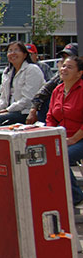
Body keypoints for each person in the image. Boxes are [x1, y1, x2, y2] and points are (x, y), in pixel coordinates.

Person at [45, 56, 83, 206]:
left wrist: (73, 139)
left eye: (69, 67)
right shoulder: (57, 90)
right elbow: (51, 116)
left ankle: (74, 195)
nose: (64, 69)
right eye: (63, 66)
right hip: (61, 137)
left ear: (79, 73)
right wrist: (50, 134)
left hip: (79, 138)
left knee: (60, 156)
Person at [0, 41, 44, 127]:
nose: (12, 53)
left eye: (16, 50)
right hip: (9, 111)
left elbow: (28, 99)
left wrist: (7, 110)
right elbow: (3, 97)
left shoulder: (32, 70)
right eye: (10, 51)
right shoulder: (7, 72)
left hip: (26, 112)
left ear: (25, 55)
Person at [28, 43, 78, 124]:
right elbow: (44, 90)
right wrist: (33, 109)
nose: (65, 61)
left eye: (69, 57)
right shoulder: (58, 86)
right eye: (63, 58)